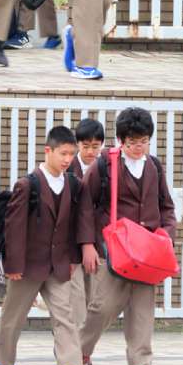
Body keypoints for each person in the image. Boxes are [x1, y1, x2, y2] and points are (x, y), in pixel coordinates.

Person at [79, 107, 177, 365]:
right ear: (121, 140)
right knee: (102, 307)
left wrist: (166, 235)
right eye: (132, 142)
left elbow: (166, 207)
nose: (138, 147)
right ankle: (79, 353)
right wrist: (87, 244)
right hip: (116, 250)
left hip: (148, 253)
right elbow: (85, 206)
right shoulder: (104, 165)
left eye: (144, 141)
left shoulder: (154, 166)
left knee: (142, 312)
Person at [0, 126, 90, 365]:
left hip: (58, 264)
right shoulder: (28, 184)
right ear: (48, 150)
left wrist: (73, 258)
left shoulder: (73, 184)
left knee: (64, 315)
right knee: (14, 316)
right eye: (63, 153)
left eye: (71, 154)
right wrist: (13, 264)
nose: (68, 159)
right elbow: (14, 227)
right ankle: (4, 361)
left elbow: (75, 223)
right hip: (27, 264)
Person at [69, 118, 105, 329]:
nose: (91, 151)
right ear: (78, 144)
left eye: (95, 146)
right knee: (73, 300)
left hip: (97, 242)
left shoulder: (106, 169)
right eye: (86, 146)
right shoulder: (67, 167)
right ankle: (70, 344)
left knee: (94, 298)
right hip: (70, 242)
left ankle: (83, 344)